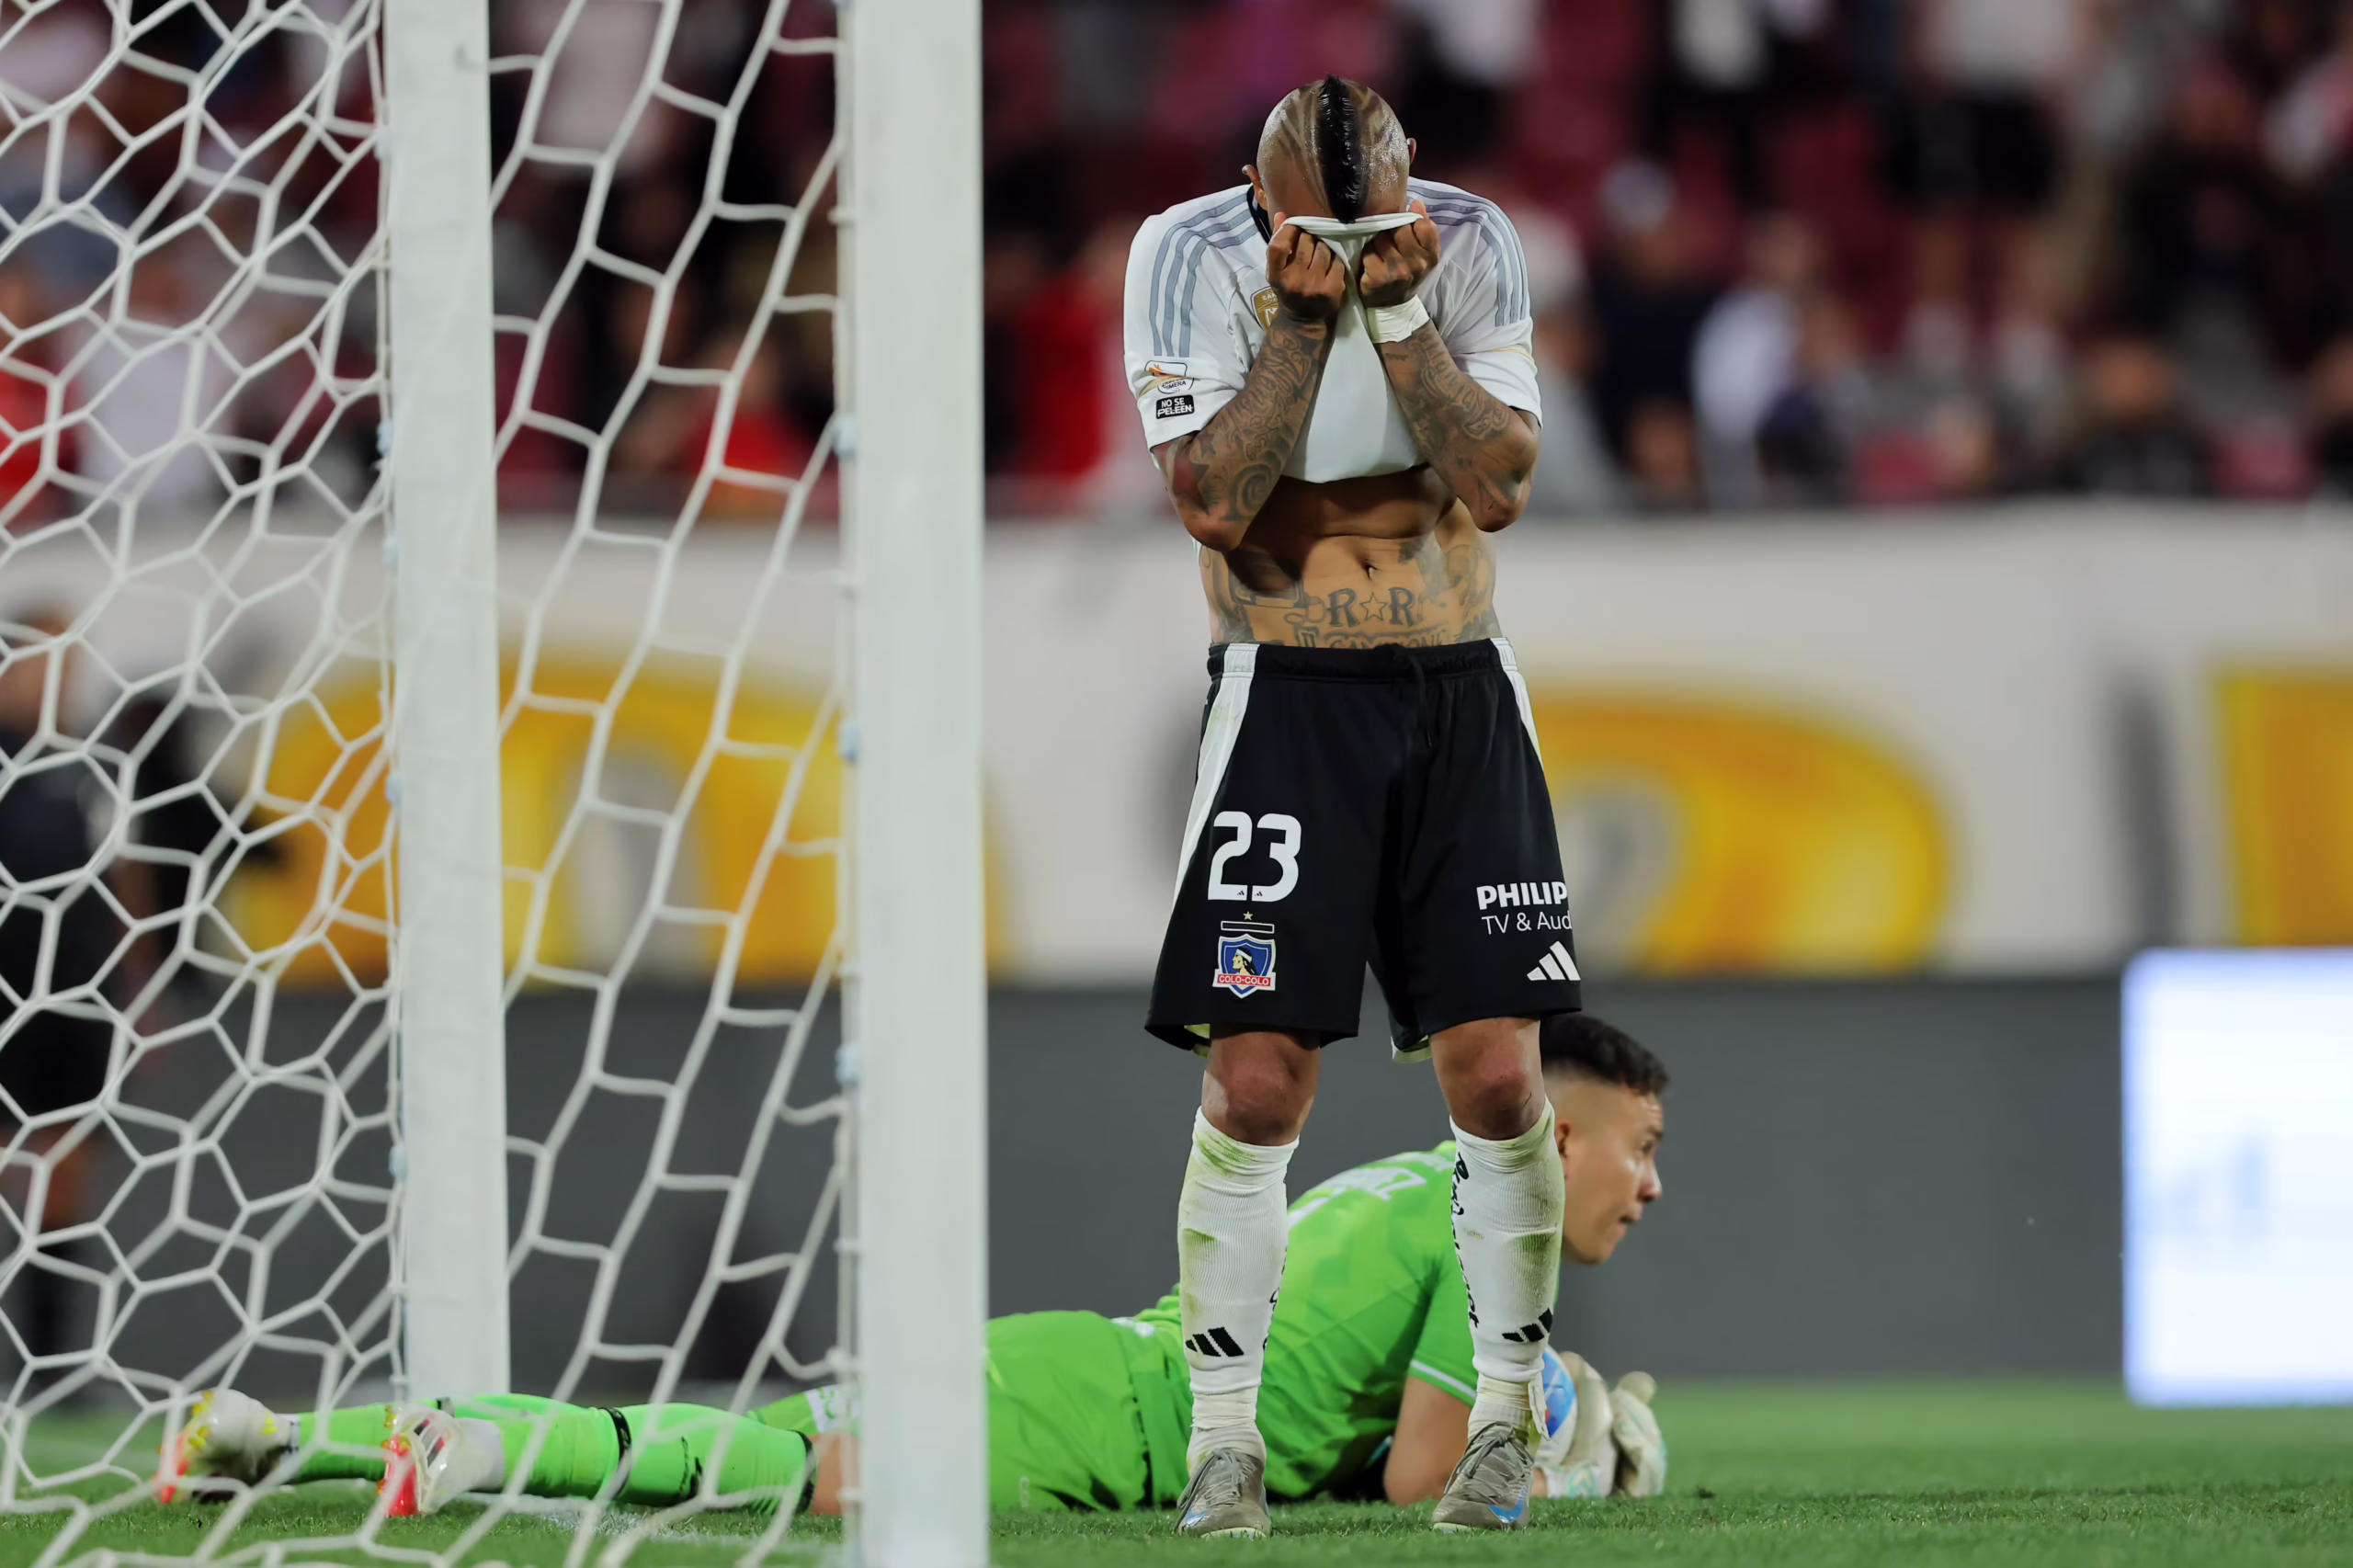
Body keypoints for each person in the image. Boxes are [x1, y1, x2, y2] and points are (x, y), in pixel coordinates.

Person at [165, 1015, 1671, 1525]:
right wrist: (1571, 1459)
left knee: (776, 1462)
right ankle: (462, 1441)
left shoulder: (1420, 1189)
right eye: (1642, 1145)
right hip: (1102, 1420)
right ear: (1566, 1131)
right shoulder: (1497, 1220)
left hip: (1081, 1379)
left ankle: (289, 1434)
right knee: (782, 1472)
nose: (1652, 1184)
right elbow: (1419, 1484)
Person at [1122, 75, 1572, 1537]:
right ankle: (1223, 1444)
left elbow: (1498, 481)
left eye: (1362, 214)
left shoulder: (1475, 242)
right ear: (1257, 198)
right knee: (1257, 1084)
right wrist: (1309, 317)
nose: (1333, 235)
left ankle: (1507, 1427)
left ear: (1409, 183)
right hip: (1287, 694)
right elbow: (1214, 497)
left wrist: (1397, 311)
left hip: (1457, 691)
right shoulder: (1186, 257)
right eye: (1299, 220)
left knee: (1499, 1080)